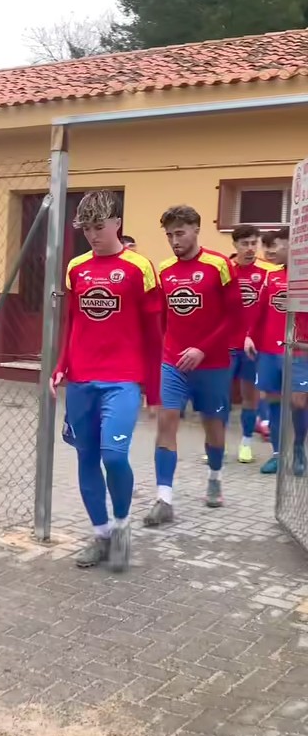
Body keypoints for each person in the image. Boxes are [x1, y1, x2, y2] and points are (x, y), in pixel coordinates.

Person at [50, 191, 162, 571]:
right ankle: (100, 535)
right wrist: (60, 365)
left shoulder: (139, 268)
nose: (93, 236)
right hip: (81, 379)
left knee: (114, 456)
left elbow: (154, 333)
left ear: (117, 223)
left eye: (99, 227)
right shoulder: (76, 267)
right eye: (86, 229)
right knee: (86, 457)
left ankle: (122, 525)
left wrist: (154, 389)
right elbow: (71, 323)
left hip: (123, 380)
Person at [144, 205, 243, 526]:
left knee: (213, 427)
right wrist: (161, 352)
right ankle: (164, 498)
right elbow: (161, 317)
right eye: (170, 235)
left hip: (212, 364)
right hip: (173, 361)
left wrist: (202, 349)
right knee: (166, 421)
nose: (174, 240)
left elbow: (234, 317)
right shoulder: (165, 270)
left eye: (180, 233)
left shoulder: (219, 265)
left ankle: (214, 476)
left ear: (196, 229)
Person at [244, 226, 308, 476]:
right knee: (272, 400)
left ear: (294, 246)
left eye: (275, 245)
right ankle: (278, 454)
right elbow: (259, 312)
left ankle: (298, 447)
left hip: (300, 351)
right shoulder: (272, 278)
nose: (268, 251)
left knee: (298, 401)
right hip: (269, 351)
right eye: (266, 245)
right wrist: (250, 337)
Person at [229, 224, 281, 464]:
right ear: (235, 245)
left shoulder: (268, 272)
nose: (250, 249)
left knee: (251, 397)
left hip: (253, 347)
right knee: (220, 397)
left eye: (254, 243)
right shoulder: (225, 270)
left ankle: (246, 443)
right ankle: (214, 443)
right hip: (226, 345)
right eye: (245, 244)